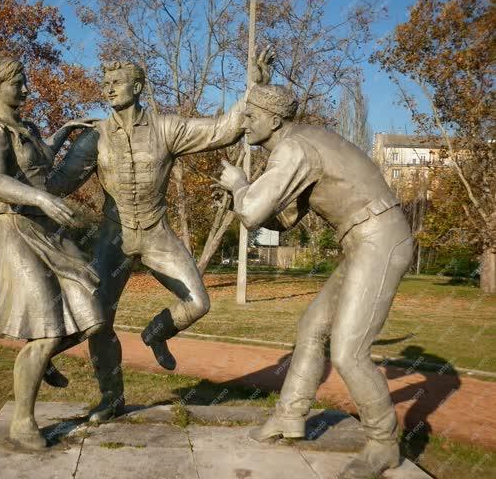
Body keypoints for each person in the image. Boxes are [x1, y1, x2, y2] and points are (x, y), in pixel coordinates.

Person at [47, 49, 275, 423]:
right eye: (105, 83)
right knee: (99, 320)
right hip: (112, 239)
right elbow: (57, 184)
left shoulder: (166, 128)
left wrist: (255, 87)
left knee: (198, 303)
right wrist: (51, 143)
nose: (108, 89)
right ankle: (111, 398)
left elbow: (223, 129)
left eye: (116, 83)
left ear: (138, 87)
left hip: (157, 235)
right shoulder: (95, 137)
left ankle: (155, 333)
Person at [216, 83, 414, 479]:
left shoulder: (294, 148)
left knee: (348, 352)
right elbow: (284, 218)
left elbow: (253, 213)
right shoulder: (299, 144)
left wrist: (239, 185)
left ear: (274, 120)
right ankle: (289, 418)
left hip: (378, 238)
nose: (243, 123)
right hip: (363, 240)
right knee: (311, 327)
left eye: (250, 116)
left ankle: (383, 444)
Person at [0, 57, 105, 450]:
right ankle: (22, 423)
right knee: (44, 328)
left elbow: (40, 163)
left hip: (44, 229)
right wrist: (40, 199)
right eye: (19, 84)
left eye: (25, 83)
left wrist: (64, 131)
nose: (26, 90)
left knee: (92, 313)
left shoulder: (26, 127)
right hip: (13, 229)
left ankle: (40, 359)